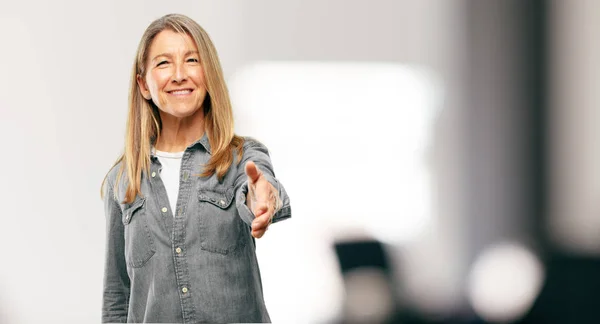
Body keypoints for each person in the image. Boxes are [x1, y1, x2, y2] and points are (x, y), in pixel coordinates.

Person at [100, 13, 291, 323]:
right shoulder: (122, 180)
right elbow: (116, 297)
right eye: (163, 63)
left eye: (191, 60)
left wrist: (262, 199)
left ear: (209, 75)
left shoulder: (243, 157)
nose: (178, 75)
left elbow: (260, 188)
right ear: (144, 84)